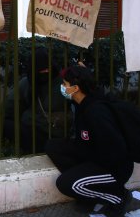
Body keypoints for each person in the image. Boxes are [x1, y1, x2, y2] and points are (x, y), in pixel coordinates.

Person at [45, 65, 134, 216]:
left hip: (113, 168)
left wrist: (88, 166)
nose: (63, 87)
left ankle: (118, 197)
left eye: (65, 84)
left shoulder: (96, 112)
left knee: (65, 184)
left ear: (75, 88)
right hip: (95, 155)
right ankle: (88, 191)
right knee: (52, 147)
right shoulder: (82, 102)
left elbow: (115, 151)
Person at [0, 47, 67, 153]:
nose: (45, 72)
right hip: (32, 132)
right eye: (41, 70)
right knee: (1, 123)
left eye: (47, 69)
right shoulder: (27, 84)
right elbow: (8, 106)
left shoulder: (63, 83)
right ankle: (1, 151)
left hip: (56, 134)